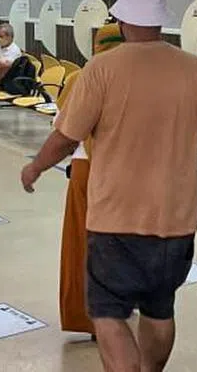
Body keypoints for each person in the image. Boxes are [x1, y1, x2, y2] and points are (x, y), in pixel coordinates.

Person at [20, 0, 197, 372]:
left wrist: (35, 167)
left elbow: (66, 137)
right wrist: (178, 142)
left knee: (107, 311)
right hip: (176, 217)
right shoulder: (195, 67)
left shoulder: (102, 69)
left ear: (120, 20)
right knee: (159, 308)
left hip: (116, 217)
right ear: (162, 20)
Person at [59, 22, 125, 336]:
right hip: (128, 173)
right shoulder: (137, 80)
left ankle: (90, 317)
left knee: (83, 245)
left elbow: (64, 130)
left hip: (86, 170)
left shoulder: (80, 79)